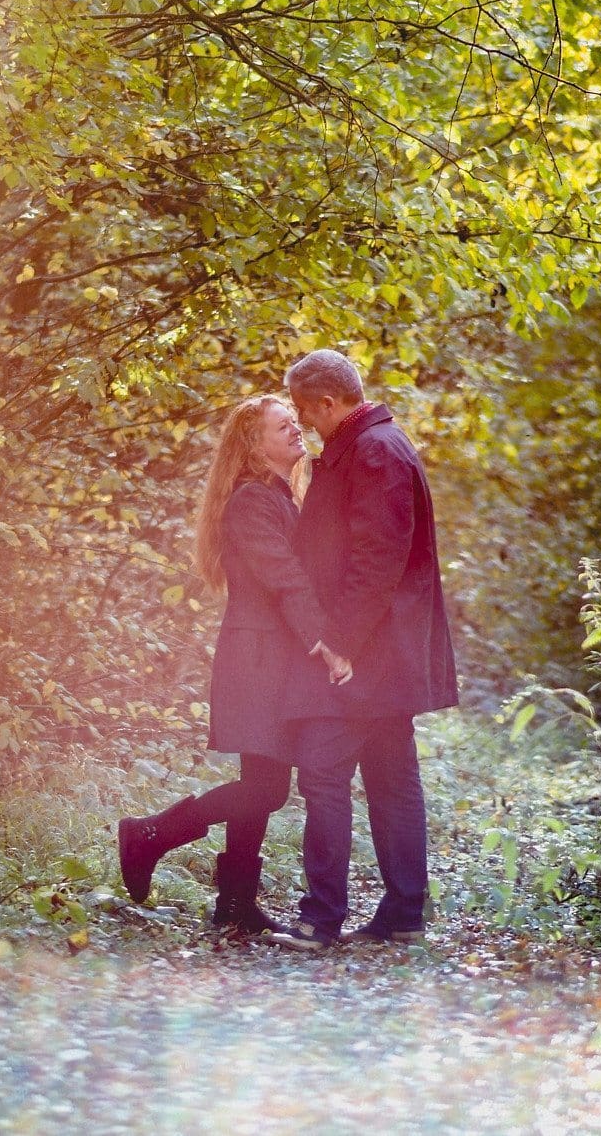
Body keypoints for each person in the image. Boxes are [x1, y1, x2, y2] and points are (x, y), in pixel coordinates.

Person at [116, 394, 352, 936]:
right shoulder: (251, 501)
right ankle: (150, 834)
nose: (297, 430)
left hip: (273, 655)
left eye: (295, 422)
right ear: (253, 445)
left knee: (263, 780)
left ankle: (235, 904)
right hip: (258, 658)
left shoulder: (276, 497)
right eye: (282, 426)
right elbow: (283, 575)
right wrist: (325, 640)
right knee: (268, 788)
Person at [272, 349, 458, 949]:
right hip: (387, 649)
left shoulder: (376, 451)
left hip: (371, 654)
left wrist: (343, 643)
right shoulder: (373, 444)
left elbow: (377, 558)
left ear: (330, 402)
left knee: (324, 773)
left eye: (305, 413)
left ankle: (320, 919)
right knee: (391, 777)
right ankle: (403, 915)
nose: (305, 426)